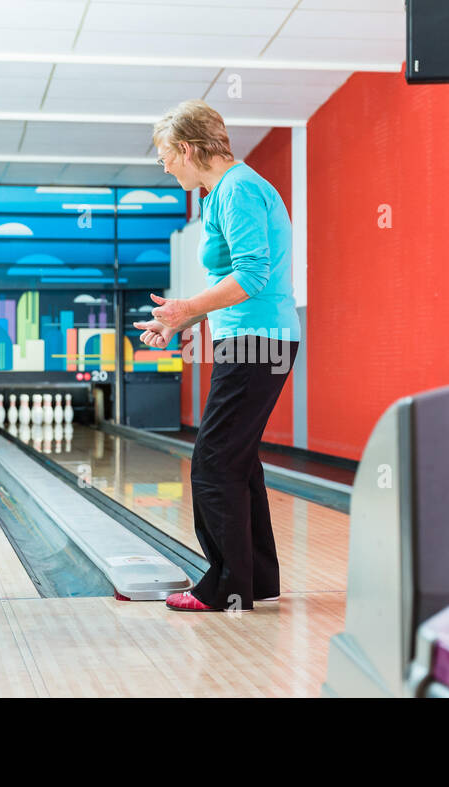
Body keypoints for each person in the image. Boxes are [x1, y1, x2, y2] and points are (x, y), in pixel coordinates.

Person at [136, 100, 301, 612]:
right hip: (249, 340)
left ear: (187, 148)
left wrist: (186, 306)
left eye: (166, 155)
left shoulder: (240, 189)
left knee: (212, 463)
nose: (164, 166)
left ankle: (227, 586)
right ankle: (256, 580)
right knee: (238, 462)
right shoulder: (219, 195)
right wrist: (181, 320)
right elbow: (231, 282)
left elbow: (252, 276)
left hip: (259, 342)